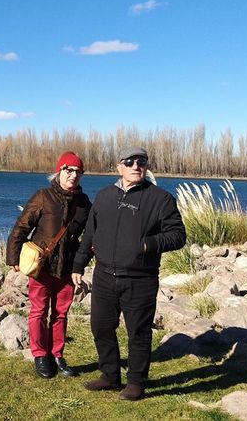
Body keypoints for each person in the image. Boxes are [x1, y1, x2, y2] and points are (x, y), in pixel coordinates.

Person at [71, 147, 186, 401]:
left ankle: (136, 382)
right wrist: (79, 265)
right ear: (119, 167)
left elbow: (178, 235)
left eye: (141, 162)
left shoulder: (160, 199)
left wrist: (148, 244)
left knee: (139, 332)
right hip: (103, 275)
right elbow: (90, 234)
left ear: (146, 166)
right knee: (100, 327)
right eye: (129, 162)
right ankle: (110, 376)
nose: (136, 166)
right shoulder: (104, 196)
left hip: (140, 278)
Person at [6, 151, 91, 379]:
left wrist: (81, 263)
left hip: (67, 268)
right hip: (42, 267)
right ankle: (40, 355)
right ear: (59, 171)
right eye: (68, 170)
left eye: (78, 172)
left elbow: (92, 237)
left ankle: (57, 355)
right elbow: (21, 227)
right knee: (39, 312)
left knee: (61, 313)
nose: (73, 175)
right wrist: (13, 258)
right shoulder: (43, 197)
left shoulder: (84, 203)